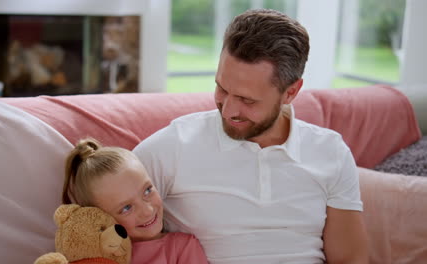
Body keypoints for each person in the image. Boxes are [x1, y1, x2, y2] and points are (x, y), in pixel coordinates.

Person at [133, 8, 369, 264]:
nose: (229, 110)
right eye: (221, 88)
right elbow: (99, 216)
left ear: (291, 92)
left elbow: (349, 259)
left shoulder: (330, 152)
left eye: (247, 100)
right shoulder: (172, 147)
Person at [62, 138, 209, 264]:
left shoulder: (181, 248)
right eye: (126, 208)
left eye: (147, 191)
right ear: (101, 217)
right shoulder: (93, 256)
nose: (148, 211)